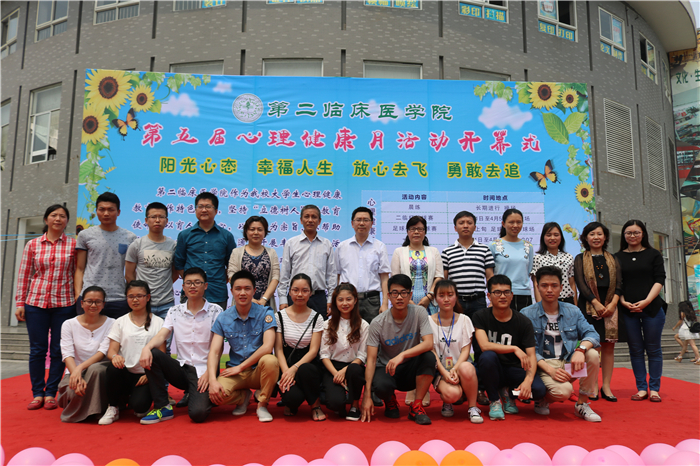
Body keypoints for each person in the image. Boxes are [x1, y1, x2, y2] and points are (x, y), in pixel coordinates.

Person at [138, 267, 223, 424]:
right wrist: (146, 348)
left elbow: (217, 349)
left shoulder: (216, 311)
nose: (192, 286)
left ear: (205, 286)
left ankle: (198, 394)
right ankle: (162, 407)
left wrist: (209, 374)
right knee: (154, 354)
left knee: (198, 414)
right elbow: (162, 335)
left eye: (197, 282)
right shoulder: (174, 311)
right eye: (188, 283)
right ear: (182, 287)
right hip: (182, 369)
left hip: (204, 370)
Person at [15, 204, 77, 411]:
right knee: (37, 350)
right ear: (46, 219)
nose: (58, 219)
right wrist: (20, 303)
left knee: (59, 350)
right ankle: (37, 394)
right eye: (54, 215)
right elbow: (24, 275)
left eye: (62, 216)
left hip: (64, 304)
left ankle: (51, 393)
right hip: (36, 303)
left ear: (67, 221)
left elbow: (77, 273)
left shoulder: (73, 245)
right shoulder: (32, 244)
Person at [522, 266, 602, 422]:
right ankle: (543, 398)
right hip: (544, 365)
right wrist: (550, 370)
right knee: (564, 392)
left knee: (592, 354)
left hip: (567, 361)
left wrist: (580, 349)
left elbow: (593, 334)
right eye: (544, 286)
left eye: (554, 285)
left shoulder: (573, 311)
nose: (549, 290)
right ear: (537, 287)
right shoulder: (527, 313)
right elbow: (527, 349)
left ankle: (582, 404)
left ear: (561, 288)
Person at [361, 274, 436, 425]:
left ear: (410, 295)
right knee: (381, 385)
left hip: (410, 368)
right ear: (388, 296)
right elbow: (371, 359)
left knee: (429, 357)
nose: (399, 297)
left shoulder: (419, 312)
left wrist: (402, 355)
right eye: (395, 293)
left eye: (403, 293)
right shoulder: (377, 322)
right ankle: (390, 400)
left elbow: (428, 343)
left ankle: (417, 405)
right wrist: (367, 396)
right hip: (387, 368)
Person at [208, 270, 279, 422]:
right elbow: (214, 352)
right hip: (235, 373)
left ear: (254, 291)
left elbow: (268, 347)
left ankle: (262, 404)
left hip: (257, 371)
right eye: (238, 289)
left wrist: (241, 367)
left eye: (247, 288)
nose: (242, 293)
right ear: (232, 291)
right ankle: (243, 397)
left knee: (271, 361)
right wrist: (212, 380)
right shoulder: (223, 318)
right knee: (215, 395)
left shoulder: (265, 313)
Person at [471, 275, 545, 421]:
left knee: (539, 391)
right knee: (488, 356)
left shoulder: (523, 321)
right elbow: (484, 346)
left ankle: (507, 393)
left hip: (513, 368)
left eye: (506, 292)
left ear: (512, 295)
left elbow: (531, 355)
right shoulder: (480, 316)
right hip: (489, 368)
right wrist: (514, 348)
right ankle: (494, 400)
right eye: (497, 292)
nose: (502, 296)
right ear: (489, 296)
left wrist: (528, 380)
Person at [390, 215, 443, 406]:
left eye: (420, 229)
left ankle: (424, 389)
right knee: (411, 344)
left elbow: (439, 276)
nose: (416, 232)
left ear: (425, 232)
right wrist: (409, 301)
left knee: (428, 345)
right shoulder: (399, 252)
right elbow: (395, 279)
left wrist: (428, 297)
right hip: (406, 304)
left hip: (430, 303)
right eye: (413, 229)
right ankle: (412, 388)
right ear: (407, 232)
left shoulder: (433, 251)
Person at [98, 281, 165, 425]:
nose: (135, 300)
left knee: (139, 408)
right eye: (131, 296)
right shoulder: (120, 322)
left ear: (148, 297)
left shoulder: (159, 322)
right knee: (113, 367)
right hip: (124, 372)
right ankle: (113, 407)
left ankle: (134, 400)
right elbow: (112, 351)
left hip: (145, 375)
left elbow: (161, 354)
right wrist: (115, 357)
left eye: (139, 296)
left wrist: (150, 375)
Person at [616, 220, 666, 402]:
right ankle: (642, 388)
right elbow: (617, 283)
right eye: (628, 233)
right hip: (628, 310)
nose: (632, 236)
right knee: (635, 350)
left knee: (653, 349)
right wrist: (622, 301)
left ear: (643, 234)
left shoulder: (654, 254)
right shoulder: (617, 257)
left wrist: (646, 301)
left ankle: (654, 389)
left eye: (636, 232)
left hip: (652, 309)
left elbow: (659, 279)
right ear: (624, 235)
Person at [573, 221, 622, 403]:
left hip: (610, 307)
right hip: (588, 305)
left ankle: (606, 386)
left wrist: (613, 303)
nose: (596, 237)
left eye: (599, 234)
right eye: (592, 234)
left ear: (605, 237)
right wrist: (596, 303)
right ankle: (592, 385)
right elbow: (581, 284)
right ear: (586, 238)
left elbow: (619, 283)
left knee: (608, 347)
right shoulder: (580, 258)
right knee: (591, 347)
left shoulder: (613, 258)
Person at [56, 286, 115, 422]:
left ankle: (92, 411)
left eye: (98, 302)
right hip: (74, 371)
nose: (93, 305)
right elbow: (67, 353)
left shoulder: (112, 323)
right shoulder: (68, 324)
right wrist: (76, 374)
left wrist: (80, 368)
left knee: (95, 369)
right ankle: (95, 408)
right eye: (89, 301)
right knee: (72, 392)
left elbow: (102, 352)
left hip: (100, 370)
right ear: (82, 303)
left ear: (103, 304)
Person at [428, 280, 482, 424]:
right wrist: (445, 373)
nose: (446, 299)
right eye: (441, 295)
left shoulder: (465, 320)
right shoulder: (428, 321)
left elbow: (466, 350)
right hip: (440, 371)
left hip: (460, 367)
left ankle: (473, 407)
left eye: (450, 295)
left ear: (456, 297)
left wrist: (454, 369)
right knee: (452, 395)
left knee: (467, 367)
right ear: (435, 298)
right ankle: (448, 401)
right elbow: (431, 351)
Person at [75, 192, 137, 318]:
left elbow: (131, 271)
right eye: (102, 209)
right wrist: (78, 295)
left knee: (118, 331)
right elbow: (80, 268)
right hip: (90, 297)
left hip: (118, 298)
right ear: (96, 211)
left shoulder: (130, 237)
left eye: (111, 210)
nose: (106, 213)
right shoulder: (85, 235)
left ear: (118, 212)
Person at [275, 273, 326, 420]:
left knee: (306, 369)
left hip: (308, 367)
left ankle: (315, 405)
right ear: (290, 292)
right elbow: (278, 349)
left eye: (304, 290)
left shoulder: (317, 317)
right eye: (295, 290)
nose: (300, 294)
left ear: (310, 293)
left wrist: (294, 369)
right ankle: (292, 401)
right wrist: (286, 372)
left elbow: (314, 351)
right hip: (286, 364)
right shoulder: (279, 316)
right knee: (292, 399)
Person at [173, 192, 236, 311]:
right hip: (191, 293)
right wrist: (192, 281)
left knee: (217, 323)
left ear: (216, 211)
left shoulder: (226, 236)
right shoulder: (185, 235)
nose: (204, 210)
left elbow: (231, 265)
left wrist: (219, 279)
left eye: (208, 206)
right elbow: (179, 264)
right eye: (200, 206)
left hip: (217, 292)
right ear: (195, 210)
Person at [320, 283, 370, 421]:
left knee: (355, 370)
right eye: (340, 300)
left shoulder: (364, 325)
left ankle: (355, 405)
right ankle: (341, 401)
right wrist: (336, 373)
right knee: (335, 403)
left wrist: (344, 371)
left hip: (354, 366)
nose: (345, 303)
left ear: (355, 300)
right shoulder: (327, 325)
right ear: (335, 302)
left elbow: (362, 355)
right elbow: (324, 354)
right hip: (332, 367)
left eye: (348, 299)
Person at [278, 205, 337, 318]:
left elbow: (331, 275)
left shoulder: (326, 244)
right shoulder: (291, 243)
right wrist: (282, 299)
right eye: (307, 217)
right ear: (301, 220)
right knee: (294, 328)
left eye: (314, 217)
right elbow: (285, 273)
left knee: (320, 328)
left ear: (319, 221)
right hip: (296, 296)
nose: (310, 220)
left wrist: (330, 299)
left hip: (318, 298)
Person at [335, 207, 391, 323]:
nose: (361, 223)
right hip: (347, 300)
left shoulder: (379, 246)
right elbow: (337, 276)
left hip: (371, 300)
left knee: (372, 332)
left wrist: (385, 303)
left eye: (365, 220)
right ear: (352, 223)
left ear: (372, 223)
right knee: (346, 331)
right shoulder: (342, 247)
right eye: (358, 220)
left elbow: (384, 277)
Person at [125, 201, 177, 322]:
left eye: (161, 217)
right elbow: (129, 274)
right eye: (153, 217)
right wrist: (140, 293)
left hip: (166, 303)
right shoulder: (137, 245)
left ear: (167, 221)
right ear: (146, 220)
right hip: (143, 303)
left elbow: (174, 273)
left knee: (166, 334)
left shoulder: (173, 245)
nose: (157, 220)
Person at [441, 211, 494, 319]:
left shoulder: (484, 250)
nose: (465, 226)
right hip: (456, 301)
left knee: (479, 328)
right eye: (461, 223)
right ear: (455, 228)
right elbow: (444, 280)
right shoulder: (447, 252)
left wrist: (492, 299)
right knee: (456, 328)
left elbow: (490, 278)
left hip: (478, 300)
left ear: (475, 227)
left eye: (469, 223)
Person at [227, 215, 280, 310]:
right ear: (246, 231)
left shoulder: (272, 252)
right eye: (252, 229)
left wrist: (263, 299)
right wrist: (249, 299)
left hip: (265, 303)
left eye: (260, 229)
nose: (256, 233)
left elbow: (275, 277)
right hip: (242, 301)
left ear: (265, 232)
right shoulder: (236, 252)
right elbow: (232, 276)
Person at [489, 209, 534, 312]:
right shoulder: (494, 245)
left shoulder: (528, 246)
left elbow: (529, 271)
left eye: (519, 222)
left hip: (524, 295)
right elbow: (490, 274)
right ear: (503, 224)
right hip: (501, 295)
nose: (515, 225)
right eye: (511, 222)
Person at [531, 222, 577, 305]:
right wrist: (540, 305)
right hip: (547, 301)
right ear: (543, 237)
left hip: (567, 301)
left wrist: (575, 306)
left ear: (561, 237)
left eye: (556, 235)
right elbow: (536, 284)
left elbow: (572, 283)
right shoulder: (537, 258)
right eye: (548, 235)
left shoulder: (568, 257)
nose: (552, 238)